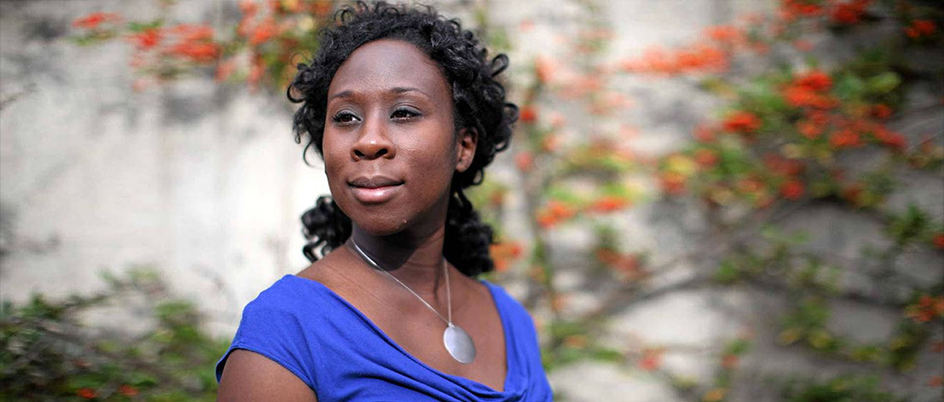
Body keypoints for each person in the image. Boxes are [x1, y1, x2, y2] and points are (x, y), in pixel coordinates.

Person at [216, 2, 552, 400]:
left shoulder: (510, 319)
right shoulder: (288, 330)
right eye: (345, 117)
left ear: (463, 147)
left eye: (404, 112)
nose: (369, 140)